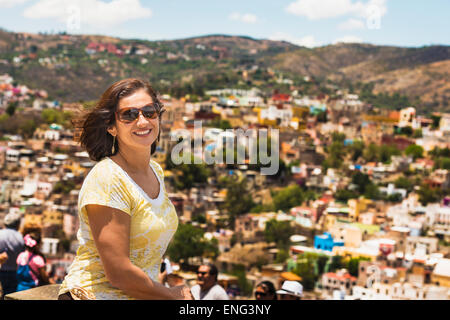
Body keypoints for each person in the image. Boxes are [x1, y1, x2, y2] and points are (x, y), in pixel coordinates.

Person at [58, 78, 193, 300]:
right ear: (111, 126)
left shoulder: (155, 171)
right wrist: (171, 294)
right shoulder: (109, 178)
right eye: (129, 115)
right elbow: (119, 274)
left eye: (149, 112)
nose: (142, 121)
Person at [0, 212, 24, 299]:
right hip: (14, 272)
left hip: (1, 269)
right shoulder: (20, 237)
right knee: (11, 295)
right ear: (17, 224)